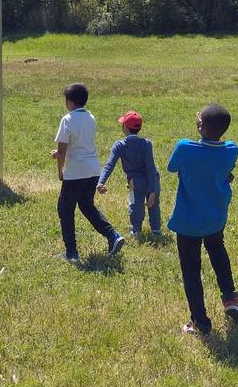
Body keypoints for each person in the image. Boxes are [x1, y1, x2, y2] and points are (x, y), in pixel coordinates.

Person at [167, 103, 238, 335]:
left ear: (200, 125)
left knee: (191, 269)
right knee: (218, 252)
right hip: (215, 217)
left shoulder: (185, 147)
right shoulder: (232, 149)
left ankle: (200, 322)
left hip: (188, 221)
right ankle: (231, 299)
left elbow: (172, 167)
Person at [51, 83, 125, 262]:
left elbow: (62, 150)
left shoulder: (67, 119)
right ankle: (113, 236)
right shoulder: (91, 117)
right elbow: (80, 144)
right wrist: (64, 154)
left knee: (65, 210)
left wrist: (60, 170)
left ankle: (71, 253)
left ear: (69, 102)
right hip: (93, 170)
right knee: (86, 205)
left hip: (75, 172)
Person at [97, 110, 162, 240]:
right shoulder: (146, 143)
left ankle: (136, 230)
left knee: (135, 206)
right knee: (153, 205)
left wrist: (101, 181)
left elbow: (109, 164)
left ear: (125, 128)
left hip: (134, 182)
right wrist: (153, 191)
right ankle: (156, 230)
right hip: (152, 179)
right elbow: (150, 167)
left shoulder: (119, 145)